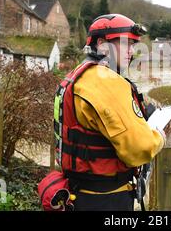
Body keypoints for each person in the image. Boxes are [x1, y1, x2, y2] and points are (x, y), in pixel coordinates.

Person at [53, 14, 165, 211]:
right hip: (107, 199)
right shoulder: (107, 81)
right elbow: (139, 148)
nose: (132, 51)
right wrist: (158, 137)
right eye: (126, 44)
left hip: (78, 193)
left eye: (134, 44)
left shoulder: (78, 75)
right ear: (103, 44)